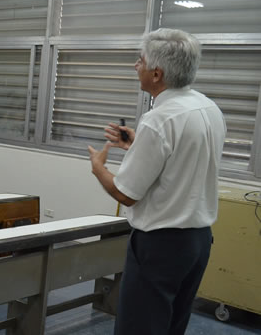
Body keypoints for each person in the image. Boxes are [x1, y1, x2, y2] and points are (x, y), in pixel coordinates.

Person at [87, 29, 226, 335]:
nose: (135, 67)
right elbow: (181, 163)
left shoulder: (159, 119)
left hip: (161, 246)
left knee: (140, 328)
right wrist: (138, 146)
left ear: (157, 73)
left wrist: (99, 168)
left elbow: (126, 194)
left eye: (140, 61)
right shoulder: (208, 108)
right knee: (171, 326)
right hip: (197, 242)